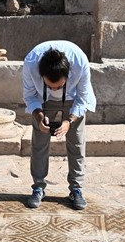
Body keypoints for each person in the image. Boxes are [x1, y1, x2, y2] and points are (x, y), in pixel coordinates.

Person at [21, 40, 95, 211]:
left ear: (68, 74)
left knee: (77, 143)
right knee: (39, 143)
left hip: (73, 98)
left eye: (59, 86)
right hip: (42, 100)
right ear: (41, 75)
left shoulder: (79, 61)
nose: (55, 90)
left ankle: (76, 189)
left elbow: (82, 99)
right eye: (50, 86)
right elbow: (29, 96)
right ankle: (38, 187)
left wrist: (69, 121)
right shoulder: (31, 63)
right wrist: (39, 117)